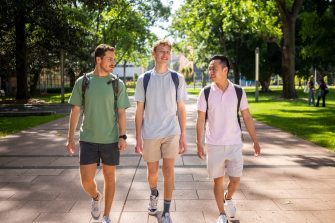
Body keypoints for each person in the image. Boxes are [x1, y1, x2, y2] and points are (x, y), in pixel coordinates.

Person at [66, 44, 130, 223]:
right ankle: (95, 197)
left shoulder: (118, 83)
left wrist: (122, 136)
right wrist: (70, 138)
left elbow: (121, 112)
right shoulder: (83, 82)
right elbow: (75, 110)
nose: (113, 63)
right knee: (86, 181)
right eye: (109, 59)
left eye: (114, 59)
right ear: (98, 59)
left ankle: (107, 216)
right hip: (88, 139)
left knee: (110, 178)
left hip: (110, 139)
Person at [196, 55, 261, 223]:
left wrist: (255, 141)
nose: (210, 71)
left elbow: (246, 117)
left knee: (235, 180)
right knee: (218, 180)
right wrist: (199, 142)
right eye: (209, 68)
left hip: (234, 144)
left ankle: (229, 196)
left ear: (225, 70)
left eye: (213, 68)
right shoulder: (206, 92)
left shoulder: (238, 91)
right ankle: (221, 214)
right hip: (214, 144)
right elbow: (201, 119)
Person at [134, 39, 188, 223]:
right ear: (154, 54)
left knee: (168, 171)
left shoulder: (177, 78)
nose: (165, 55)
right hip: (150, 133)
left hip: (172, 132)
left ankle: (166, 211)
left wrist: (183, 137)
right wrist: (138, 138)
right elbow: (139, 110)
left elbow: (181, 108)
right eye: (161, 51)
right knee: (152, 173)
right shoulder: (145, 79)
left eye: (168, 52)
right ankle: (153, 192)